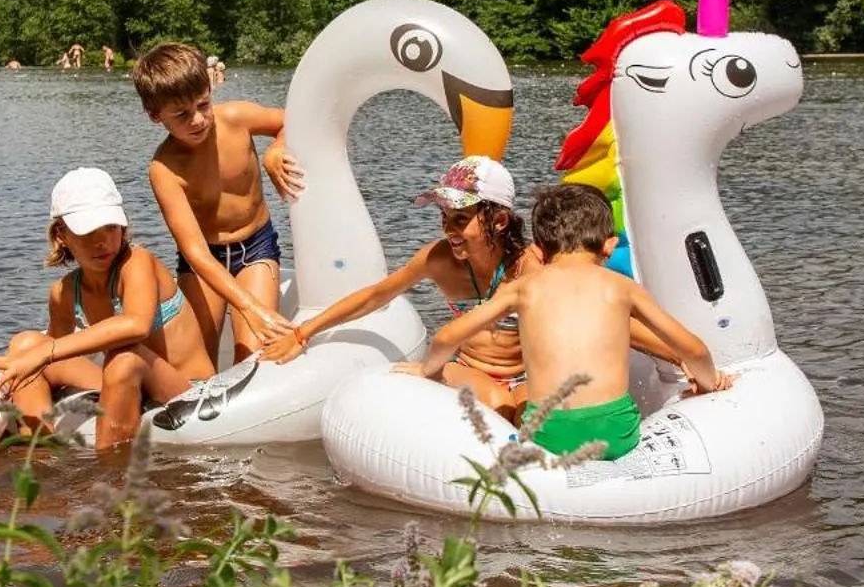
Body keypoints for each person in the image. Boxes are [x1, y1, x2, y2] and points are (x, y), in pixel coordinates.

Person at [398, 184, 731, 462]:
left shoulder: (524, 288)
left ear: (540, 250)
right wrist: (707, 384)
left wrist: (427, 370)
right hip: (617, 435)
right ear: (610, 245)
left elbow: (447, 337)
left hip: (549, 436)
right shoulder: (622, 288)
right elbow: (693, 349)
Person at [264, 157, 532, 417]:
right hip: (466, 367)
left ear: (499, 221)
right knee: (499, 403)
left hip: (523, 375)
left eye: (460, 219)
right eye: (444, 216)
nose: (448, 229)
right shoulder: (439, 260)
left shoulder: (530, 266)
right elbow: (375, 296)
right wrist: (302, 333)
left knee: (527, 416)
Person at [0, 169, 201, 449]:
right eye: (87, 232)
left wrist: (45, 351)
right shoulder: (64, 292)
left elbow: (137, 325)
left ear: (123, 226)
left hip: (185, 389)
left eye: (110, 227)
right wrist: (26, 364)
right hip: (126, 386)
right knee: (26, 344)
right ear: (61, 235)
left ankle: (110, 471)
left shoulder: (138, 262)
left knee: (124, 357)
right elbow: (55, 354)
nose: (101, 241)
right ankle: (39, 453)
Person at [134, 41, 303, 364]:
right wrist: (247, 305)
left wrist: (276, 149)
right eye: (182, 114)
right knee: (196, 361)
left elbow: (290, 121)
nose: (198, 119)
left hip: (255, 249)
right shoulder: (164, 169)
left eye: (203, 104)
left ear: (210, 91)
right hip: (203, 260)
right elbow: (194, 251)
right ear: (155, 115)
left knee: (254, 355)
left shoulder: (236, 118)